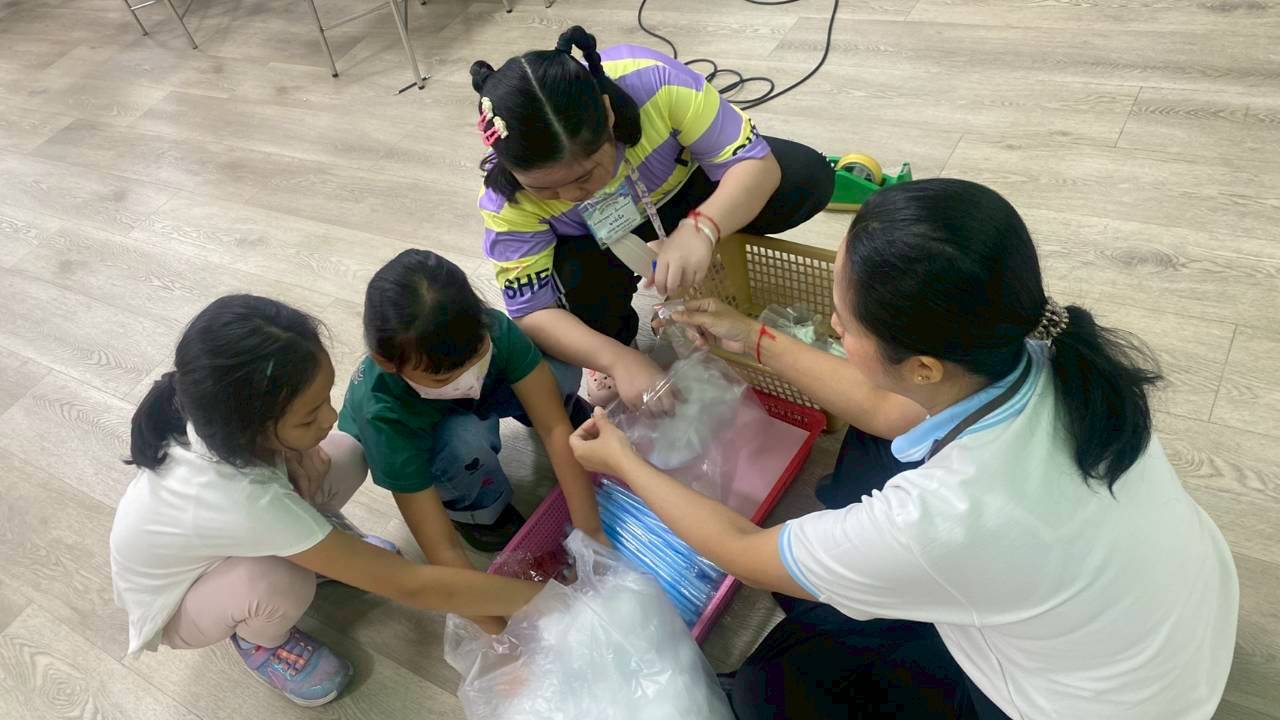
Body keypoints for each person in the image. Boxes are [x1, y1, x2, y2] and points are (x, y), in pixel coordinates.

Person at [569, 179, 1239, 719]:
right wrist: (756, 338)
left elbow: (745, 552)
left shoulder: (943, 517)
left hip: (1084, 703)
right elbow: (887, 411)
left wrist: (623, 462)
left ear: (923, 366)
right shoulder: (1037, 348)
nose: (833, 325)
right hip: (1161, 634)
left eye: (844, 321)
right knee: (860, 479)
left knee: (772, 687)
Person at [110, 295, 542, 708]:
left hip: (226, 537)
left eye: (325, 398)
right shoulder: (243, 499)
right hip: (182, 605)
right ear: (252, 429)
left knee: (346, 454)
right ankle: (260, 642)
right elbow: (409, 584)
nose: (331, 417)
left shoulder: (211, 405)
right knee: (280, 582)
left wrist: (294, 451)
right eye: (308, 416)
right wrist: (544, 600)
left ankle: (316, 549)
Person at [471, 26, 835, 408]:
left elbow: (756, 166)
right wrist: (617, 359)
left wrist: (703, 227)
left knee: (803, 177)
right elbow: (533, 312)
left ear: (608, 114)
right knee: (570, 283)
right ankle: (616, 337)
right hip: (596, 240)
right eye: (544, 189)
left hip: (684, 187)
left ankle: (708, 253)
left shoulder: (654, 81)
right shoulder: (504, 200)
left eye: (584, 176)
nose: (571, 195)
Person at [336, 249, 602, 552]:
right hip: (423, 433)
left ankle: (543, 411)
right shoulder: (383, 417)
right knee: (464, 444)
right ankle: (477, 510)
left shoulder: (490, 328)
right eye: (442, 378)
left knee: (559, 372)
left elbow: (553, 427)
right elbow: (441, 547)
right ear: (387, 363)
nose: (468, 378)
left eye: (478, 356)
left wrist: (590, 530)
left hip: (475, 391)